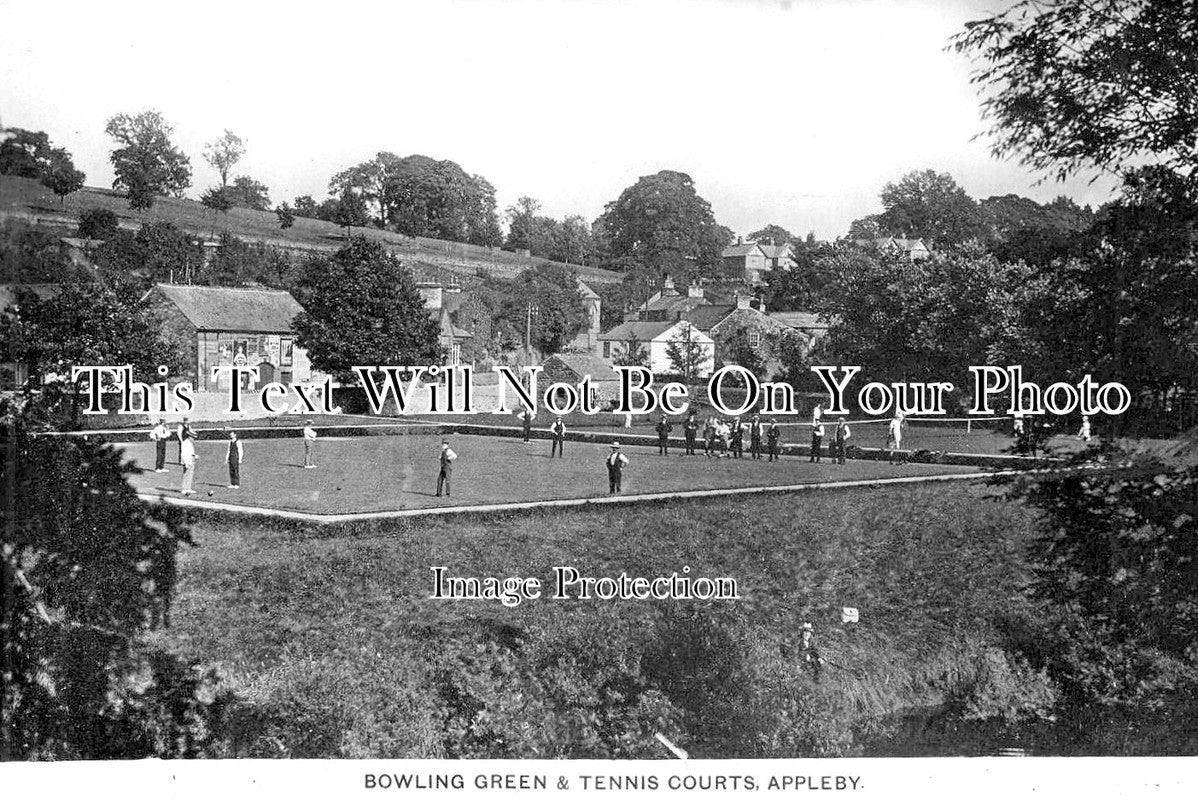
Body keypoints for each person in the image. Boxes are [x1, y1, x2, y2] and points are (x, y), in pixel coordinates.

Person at [179, 427, 197, 496]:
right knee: (186, 474)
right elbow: (184, 454)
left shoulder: (189, 443)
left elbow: (191, 452)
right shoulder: (185, 443)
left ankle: (188, 488)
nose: (194, 439)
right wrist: (186, 462)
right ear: (190, 437)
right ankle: (184, 489)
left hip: (191, 459)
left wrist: (194, 456)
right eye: (193, 437)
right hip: (187, 460)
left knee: (190, 474)